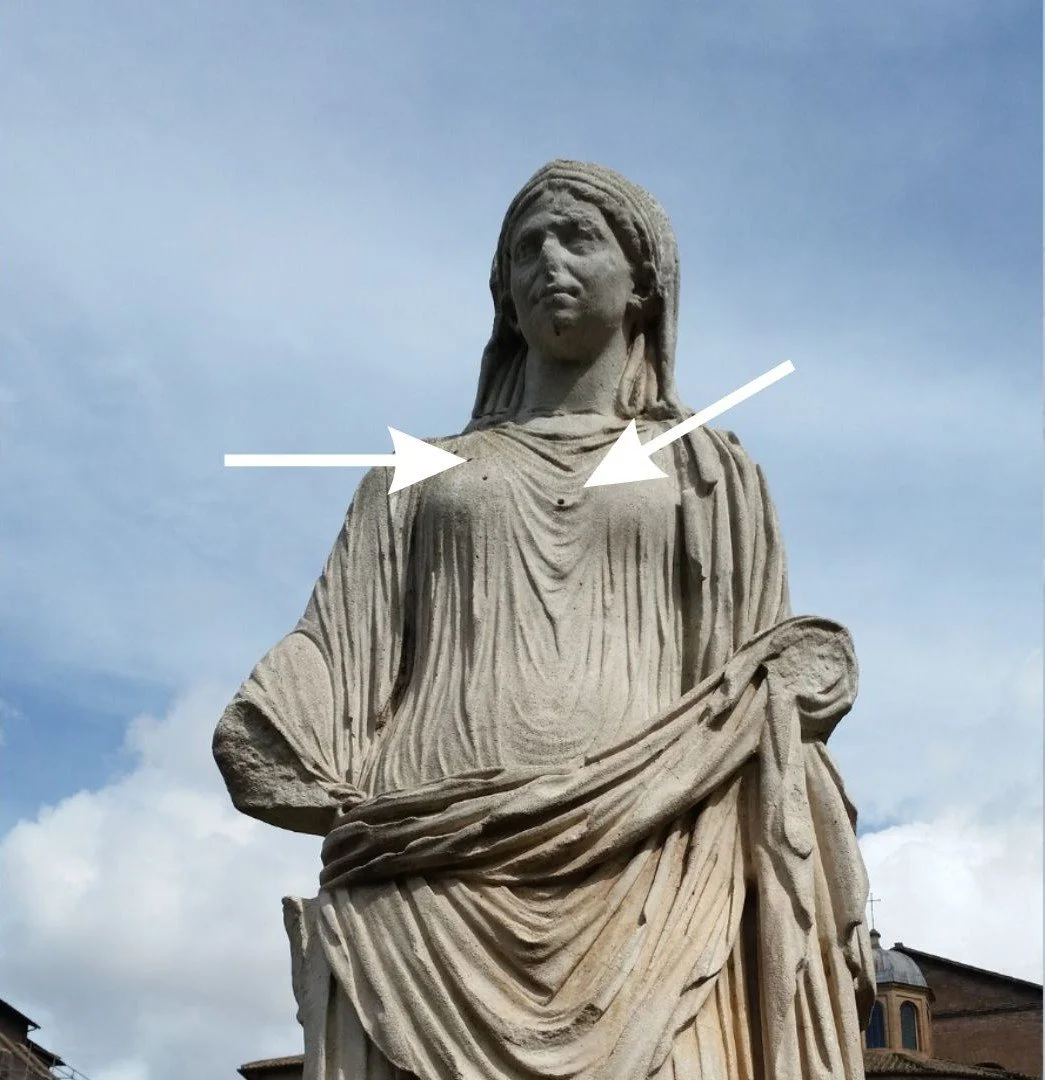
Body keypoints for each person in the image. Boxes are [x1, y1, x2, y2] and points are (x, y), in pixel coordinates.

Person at [214, 160, 874, 1080]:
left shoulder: (707, 469)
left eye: (577, 238)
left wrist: (802, 682)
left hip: (656, 850)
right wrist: (273, 727)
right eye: (525, 249)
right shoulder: (418, 472)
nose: (547, 263)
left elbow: (747, 675)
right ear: (502, 294)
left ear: (645, 282)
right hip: (430, 851)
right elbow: (334, 641)